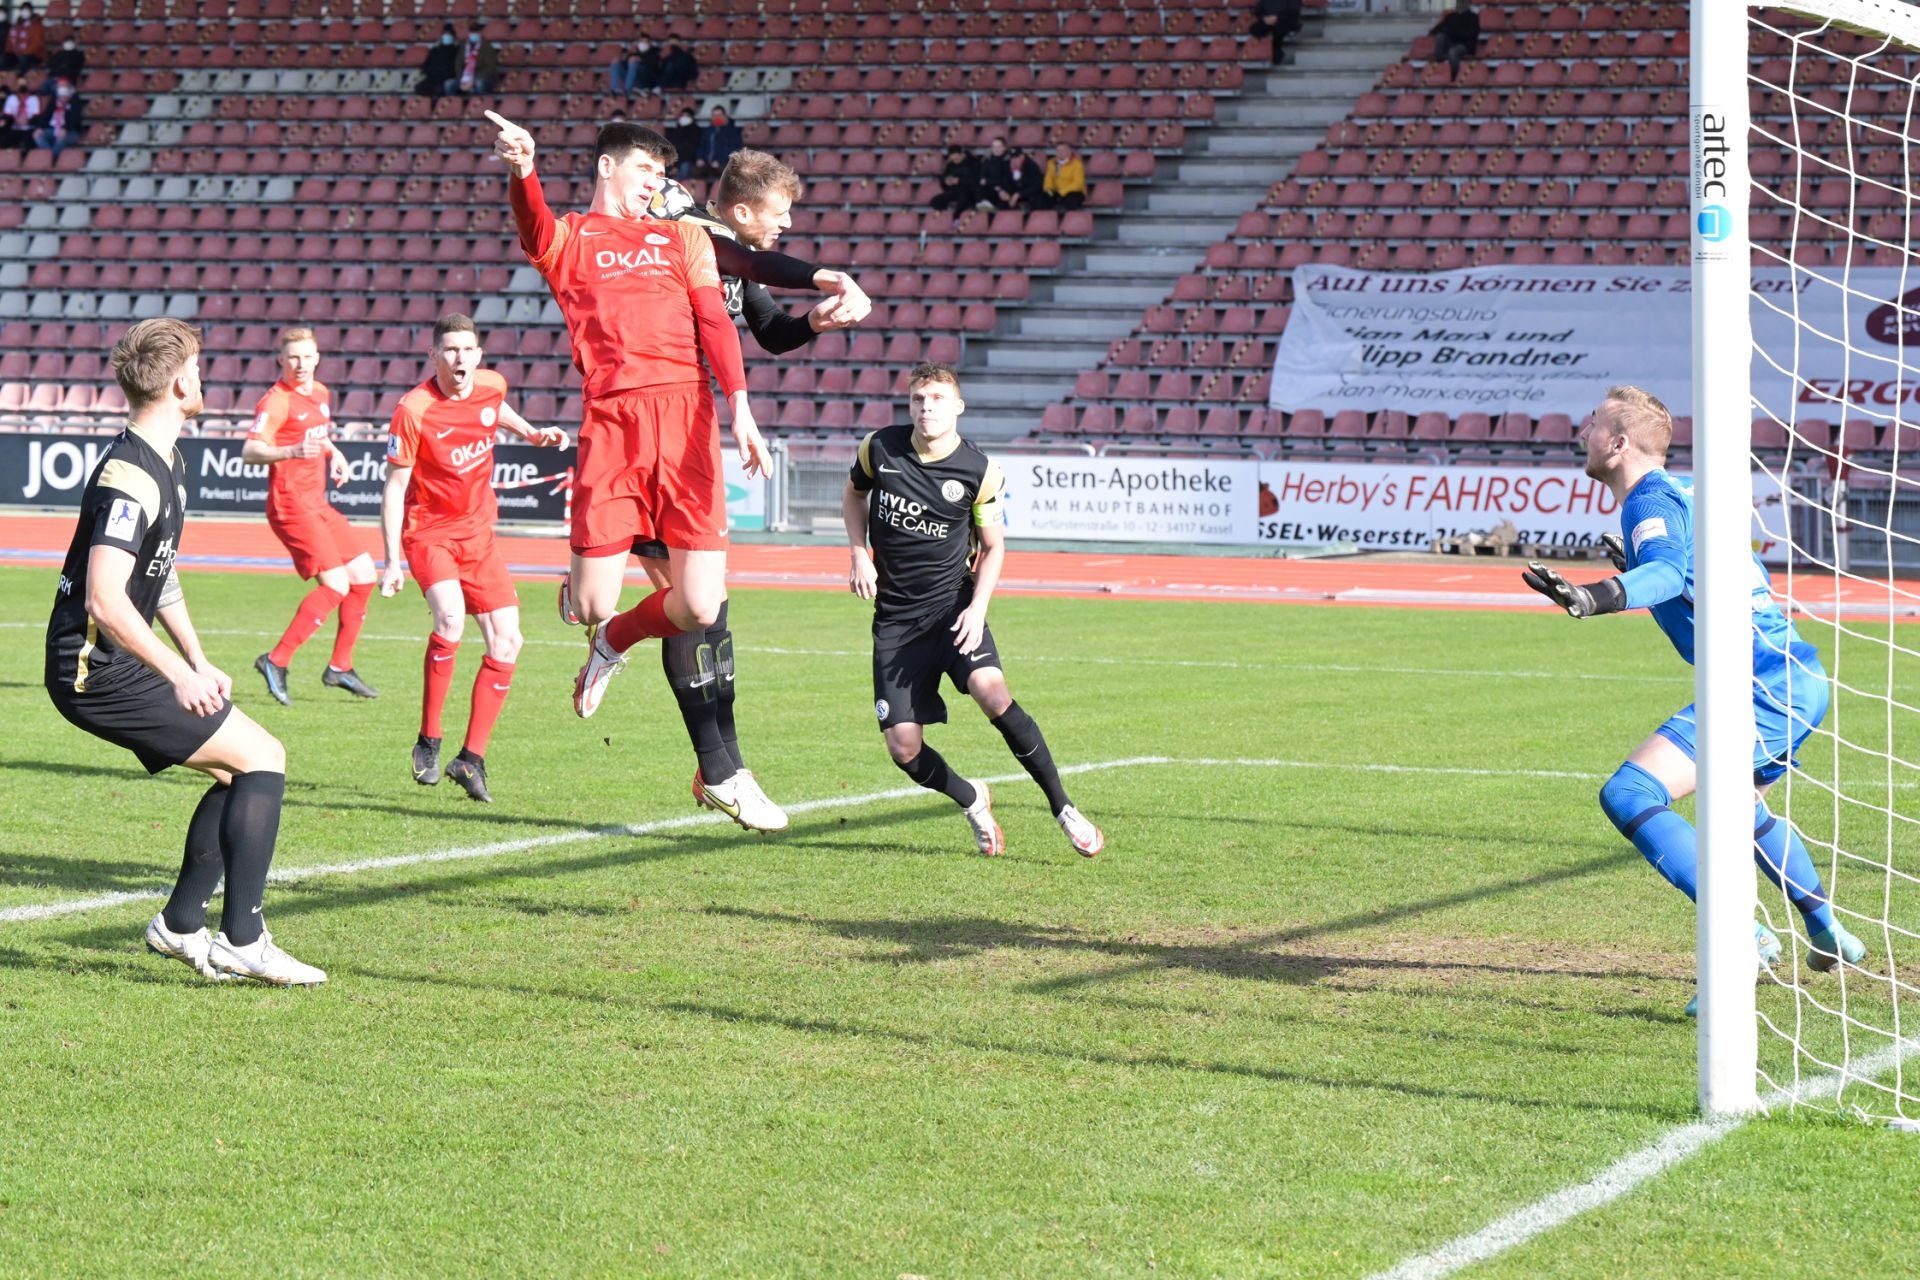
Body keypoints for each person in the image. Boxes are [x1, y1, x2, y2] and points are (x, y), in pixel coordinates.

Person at [1521, 386, 1867, 1015]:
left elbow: (1666, 574)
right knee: (1741, 808)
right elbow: (1706, 574)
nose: (1583, 431)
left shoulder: (1649, 500)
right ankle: (1827, 932)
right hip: (1795, 675)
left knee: (1629, 793)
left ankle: (1739, 937)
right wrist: (1644, 566)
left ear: (1618, 443)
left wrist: (1597, 595)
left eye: (1594, 423)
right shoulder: (1684, 496)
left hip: (1758, 684)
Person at [487, 110, 789, 830]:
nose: (655, 181)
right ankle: (600, 625)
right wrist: (523, 169)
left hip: (688, 419)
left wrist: (742, 408)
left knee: (701, 607)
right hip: (613, 422)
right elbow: (532, 224)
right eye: (645, 168)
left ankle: (616, 643)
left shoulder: (682, 237)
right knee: (592, 601)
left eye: (662, 172)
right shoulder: (571, 237)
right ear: (607, 166)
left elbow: (715, 322)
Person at [44, 318, 325, 985]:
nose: (203, 379)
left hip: (115, 661)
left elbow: (159, 571)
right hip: (93, 671)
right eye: (196, 369)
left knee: (238, 772)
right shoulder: (131, 476)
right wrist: (176, 674)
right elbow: (105, 599)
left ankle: (179, 923)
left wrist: (196, 658)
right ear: (177, 383)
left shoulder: (166, 458)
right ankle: (243, 940)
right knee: (264, 758)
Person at [841, 362, 1105, 858]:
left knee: (993, 694)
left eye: (938, 399)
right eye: (919, 399)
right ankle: (971, 798)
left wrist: (978, 608)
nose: (927, 408)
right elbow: (854, 496)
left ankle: (1064, 807)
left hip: (954, 609)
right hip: (896, 622)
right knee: (903, 749)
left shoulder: (980, 471)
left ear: (958, 407)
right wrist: (858, 553)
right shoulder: (878, 448)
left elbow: (994, 546)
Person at [378, 314, 568, 803]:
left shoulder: (491, 385)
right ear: (433, 356)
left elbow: (495, 408)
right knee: (450, 617)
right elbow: (394, 487)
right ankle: (429, 739)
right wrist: (392, 560)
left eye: (467, 350)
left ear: (478, 355)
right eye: (450, 350)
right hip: (430, 533)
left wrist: (531, 433)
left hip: (479, 535)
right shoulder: (413, 409)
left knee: (508, 641)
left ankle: (470, 759)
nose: (459, 358)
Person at [242, 327, 380, 705]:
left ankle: (340, 666)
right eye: (293, 357)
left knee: (364, 575)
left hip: (316, 502)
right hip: (290, 506)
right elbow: (250, 451)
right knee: (336, 585)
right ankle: (276, 660)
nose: (300, 364)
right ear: (281, 360)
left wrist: (335, 453)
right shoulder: (276, 402)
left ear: (317, 358)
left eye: (307, 357)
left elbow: (316, 434)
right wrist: (290, 451)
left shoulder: (320, 392)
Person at [1427, 0, 1480, 82]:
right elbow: (1436, 30)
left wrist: (1452, 32)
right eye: (1458, 2)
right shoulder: (1450, 16)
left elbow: (1471, 35)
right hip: (1452, 43)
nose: (1460, 4)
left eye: (1462, 2)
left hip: (1465, 45)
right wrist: (1439, 31)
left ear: (1468, 4)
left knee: (1452, 51)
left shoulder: (1473, 17)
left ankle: (1454, 76)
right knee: (1441, 36)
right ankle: (1438, 58)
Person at [28, 74, 78, 157]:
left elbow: (75, 118)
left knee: (61, 138)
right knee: (38, 135)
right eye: (60, 86)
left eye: (63, 86)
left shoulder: (75, 100)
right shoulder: (54, 99)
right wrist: (40, 127)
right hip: (52, 129)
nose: (61, 88)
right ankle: (49, 156)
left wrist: (65, 129)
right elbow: (46, 114)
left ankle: (52, 158)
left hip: (69, 131)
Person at [692, 106, 741, 182]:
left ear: (725, 116)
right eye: (714, 115)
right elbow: (701, 145)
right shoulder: (708, 130)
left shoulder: (733, 131)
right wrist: (700, 158)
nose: (716, 117)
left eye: (719, 115)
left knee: (724, 173)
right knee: (696, 171)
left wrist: (719, 161)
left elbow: (733, 149)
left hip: (724, 162)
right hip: (707, 162)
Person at [1250, 0, 1304, 67]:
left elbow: (1294, 10)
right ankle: (1262, 53)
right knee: (1255, 29)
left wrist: (1277, 18)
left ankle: (1277, 54)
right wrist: (1264, 18)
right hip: (1269, 20)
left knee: (1278, 29)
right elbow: (1258, 9)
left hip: (1288, 20)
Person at [929, 141, 979, 213]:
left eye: (957, 158)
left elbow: (975, 180)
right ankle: (946, 215)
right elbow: (944, 177)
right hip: (954, 190)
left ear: (961, 155)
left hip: (969, 192)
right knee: (935, 201)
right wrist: (946, 181)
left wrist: (959, 180)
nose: (955, 161)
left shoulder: (972, 163)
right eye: (953, 159)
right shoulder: (950, 165)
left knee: (962, 201)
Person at [1040, 142, 1086, 211]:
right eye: (1058, 151)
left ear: (1069, 152)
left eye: (1062, 151)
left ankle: (1071, 217)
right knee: (1042, 198)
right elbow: (1048, 180)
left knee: (1071, 200)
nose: (1060, 153)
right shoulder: (1051, 163)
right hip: (1057, 192)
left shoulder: (1077, 164)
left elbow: (1078, 183)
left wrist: (1062, 192)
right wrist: (1048, 190)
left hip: (1073, 192)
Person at [416, 26, 459, 98]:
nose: (446, 36)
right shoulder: (435, 50)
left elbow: (458, 67)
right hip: (433, 78)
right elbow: (427, 64)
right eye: (445, 34)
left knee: (440, 89)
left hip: (448, 78)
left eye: (449, 34)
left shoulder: (457, 50)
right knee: (420, 88)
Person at [457, 28, 499, 95]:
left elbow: (490, 67)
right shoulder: (463, 46)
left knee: (479, 83)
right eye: (472, 32)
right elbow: (458, 64)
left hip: (482, 77)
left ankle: (482, 101)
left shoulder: (487, 47)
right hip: (465, 77)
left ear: (480, 33)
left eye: (476, 32)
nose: (473, 35)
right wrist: (460, 79)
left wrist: (473, 80)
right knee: (449, 84)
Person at [976, 136, 1012, 210]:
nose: (996, 149)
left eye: (999, 147)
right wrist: (988, 182)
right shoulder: (987, 160)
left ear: (1004, 148)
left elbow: (1006, 179)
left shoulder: (1008, 161)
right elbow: (982, 178)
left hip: (1003, 189)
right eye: (994, 147)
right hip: (989, 189)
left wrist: (988, 181)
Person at [1, 77, 37, 150]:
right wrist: (12, 120)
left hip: (29, 128)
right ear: (16, 85)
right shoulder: (11, 98)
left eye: (24, 84)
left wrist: (28, 121)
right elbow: (7, 116)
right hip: (14, 127)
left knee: (29, 138)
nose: (22, 86)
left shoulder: (34, 98)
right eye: (20, 84)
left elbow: (37, 117)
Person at [663, 108, 699, 179]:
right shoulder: (675, 131)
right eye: (682, 115)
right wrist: (673, 164)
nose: (684, 118)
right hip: (674, 160)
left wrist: (677, 166)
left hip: (688, 160)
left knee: (684, 167)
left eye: (687, 116)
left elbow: (689, 151)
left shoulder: (696, 132)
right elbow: (670, 147)